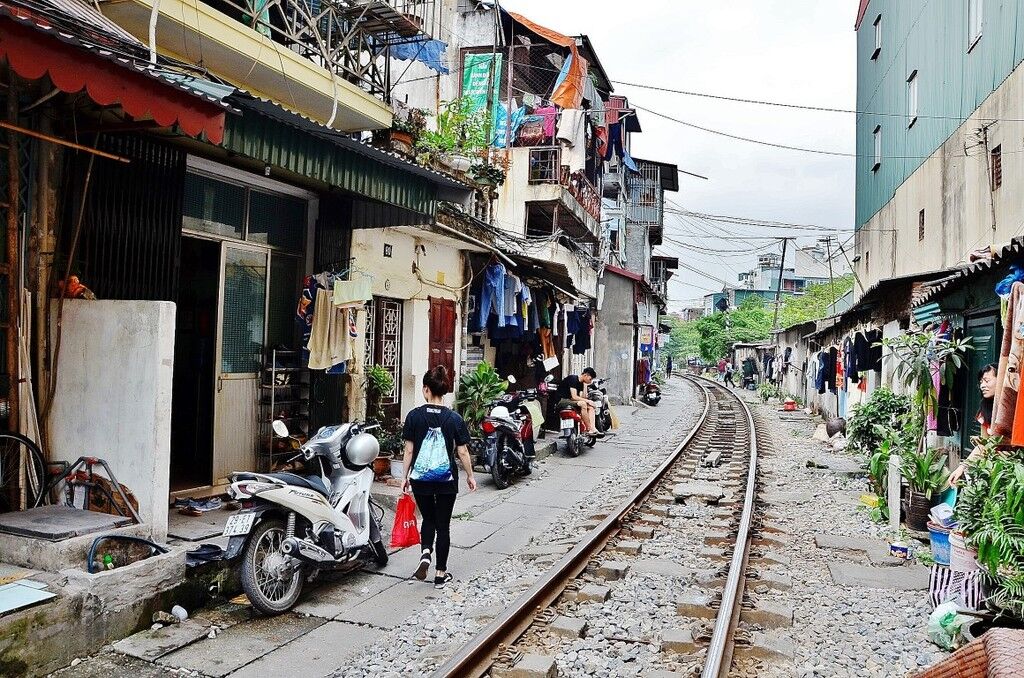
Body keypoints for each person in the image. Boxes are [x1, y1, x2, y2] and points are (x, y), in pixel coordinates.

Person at [401, 365, 477, 589]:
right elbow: (462, 451)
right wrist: (470, 476)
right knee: (443, 525)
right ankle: (441, 574)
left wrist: (405, 477)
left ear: (426, 389)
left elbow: (408, 450)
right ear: (443, 391)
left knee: (428, 519)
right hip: (446, 480)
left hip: (420, 478)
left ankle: (425, 552)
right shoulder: (454, 419)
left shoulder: (414, 416)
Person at [949, 363, 997, 486]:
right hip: (994, 468)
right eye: (981, 382)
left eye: (987, 381)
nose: (982, 386)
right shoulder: (984, 412)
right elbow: (983, 445)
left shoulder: (1012, 408)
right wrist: (961, 468)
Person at [557, 367, 601, 436]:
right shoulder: (573, 379)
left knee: (591, 407)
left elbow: (582, 397)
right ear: (585, 375)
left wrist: (585, 386)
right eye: (590, 379)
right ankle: (589, 428)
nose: (591, 381)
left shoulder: (581, 383)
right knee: (583, 404)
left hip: (571, 401)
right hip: (562, 400)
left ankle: (593, 428)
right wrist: (588, 401)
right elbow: (574, 397)